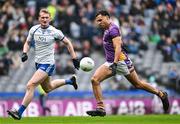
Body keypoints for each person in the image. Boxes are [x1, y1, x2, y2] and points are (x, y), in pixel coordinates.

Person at [86, 10, 169, 117]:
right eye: (97, 21)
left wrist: (115, 63)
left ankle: (161, 94)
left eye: (101, 20)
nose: (99, 23)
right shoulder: (107, 29)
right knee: (95, 80)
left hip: (120, 62)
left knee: (137, 84)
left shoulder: (113, 29)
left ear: (107, 17)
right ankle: (101, 108)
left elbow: (118, 47)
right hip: (111, 61)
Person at [7, 8, 80, 120]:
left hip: (48, 64)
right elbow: (27, 42)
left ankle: (19, 112)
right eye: (42, 17)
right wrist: (24, 52)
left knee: (30, 85)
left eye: (47, 17)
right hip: (38, 63)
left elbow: (68, 43)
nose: (45, 19)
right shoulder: (34, 29)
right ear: (39, 19)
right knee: (48, 88)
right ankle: (70, 81)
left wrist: (74, 58)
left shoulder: (55, 32)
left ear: (50, 19)